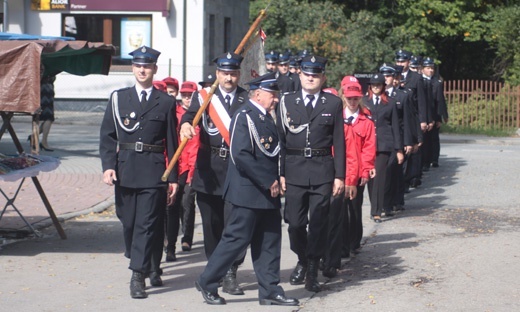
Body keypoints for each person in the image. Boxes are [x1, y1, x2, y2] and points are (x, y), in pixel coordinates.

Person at [195, 73, 299, 307]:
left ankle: (270, 290)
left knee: (269, 241)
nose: (275, 100)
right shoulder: (244, 116)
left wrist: (279, 176)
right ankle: (207, 281)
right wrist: (267, 180)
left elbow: (272, 153)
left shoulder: (265, 117)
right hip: (248, 192)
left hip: (267, 192)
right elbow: (241, 154)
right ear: (258, 94)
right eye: (272, 95)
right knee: (235, 241)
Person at [99, 46, 178, 299]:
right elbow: (108, 136)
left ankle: (137, 275)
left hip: (154, 172)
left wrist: (173, 178)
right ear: (133, 69)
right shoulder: (118, 98)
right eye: (137, 66)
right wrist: (109, 166)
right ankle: (152, 263)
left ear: (154, 70)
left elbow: (172, 143)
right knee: (130, 223)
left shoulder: (165, 102)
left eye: (147, 66)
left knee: (147, 223)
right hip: (126, 170)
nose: (142, 69)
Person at [180, 52, 248, 295]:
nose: (229, 78)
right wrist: (186, 125)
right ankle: (215, 267)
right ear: (217, 74)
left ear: (238, 75)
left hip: (237, 170)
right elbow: (189, 117)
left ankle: (231, 272)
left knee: (235, 225)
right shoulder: (205, 97)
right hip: (209, 169)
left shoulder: (247, 98)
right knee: (211, 225)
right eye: (224, 73)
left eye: (233, 73)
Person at [277, 55, 345, 292]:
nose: (310, 78)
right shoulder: (287, 101)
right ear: (300, 75)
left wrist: (340, 176)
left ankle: (312, 269)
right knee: (294, 224)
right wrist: (281, 172)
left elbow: (339, 141)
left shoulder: (333, 103)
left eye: (315, 75)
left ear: (323, 77)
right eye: (307, 74)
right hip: (294, 169)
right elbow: (281, 141)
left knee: (318, 223)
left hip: (322, 169)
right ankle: (303, 259)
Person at [323, 76, 376, 277]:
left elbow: (368, 148)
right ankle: (341, 246)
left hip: (357, 172)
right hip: (337, 172)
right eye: (349, 98)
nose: (353, 102)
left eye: (356, 98)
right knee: (337, 212)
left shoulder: (366, 119)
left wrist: (365, 170)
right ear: (343, 96)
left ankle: (353, 242)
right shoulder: (336, 117)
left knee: (354, 209)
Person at [164, 81, 199, 262]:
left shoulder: (197, 115)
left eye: (189, 95)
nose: (186, 98)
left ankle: (186, 237)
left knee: (187, 202)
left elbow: (195, 146)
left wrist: (193, 171)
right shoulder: (173, 113)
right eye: (184, 95)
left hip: (187, 167)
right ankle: (169, 243)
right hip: (173, 165)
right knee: (171, 206)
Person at [363, 74, 403, 222]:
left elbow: (395, 127)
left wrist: (399, 150)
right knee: (371, 179)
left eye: (378, 85)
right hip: (366, 144)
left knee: (379, 178)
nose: (375, 87)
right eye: (373, 85)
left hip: (384, 145)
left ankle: (376, 211)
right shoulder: (363, 101)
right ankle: (376, 205)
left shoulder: (390, 103)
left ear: (383, 86)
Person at [422, 57, 448, 168]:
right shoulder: (420, 81)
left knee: (434, 138)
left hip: (434, 113)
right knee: (425, 140)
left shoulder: (437, 82)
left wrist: (440, 117)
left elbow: (440, 101)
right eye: (428, 68)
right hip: (423, 115)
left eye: (432, 68)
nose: (430, 71)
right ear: (423, 69)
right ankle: (426, 161)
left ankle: (434, 159)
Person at [33, 75, 56, 151]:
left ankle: (34, 136)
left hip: (41, 89)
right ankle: (44, 142)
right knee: (49, 118)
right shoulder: (48, 65)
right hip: (46, 90)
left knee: (45, 117)